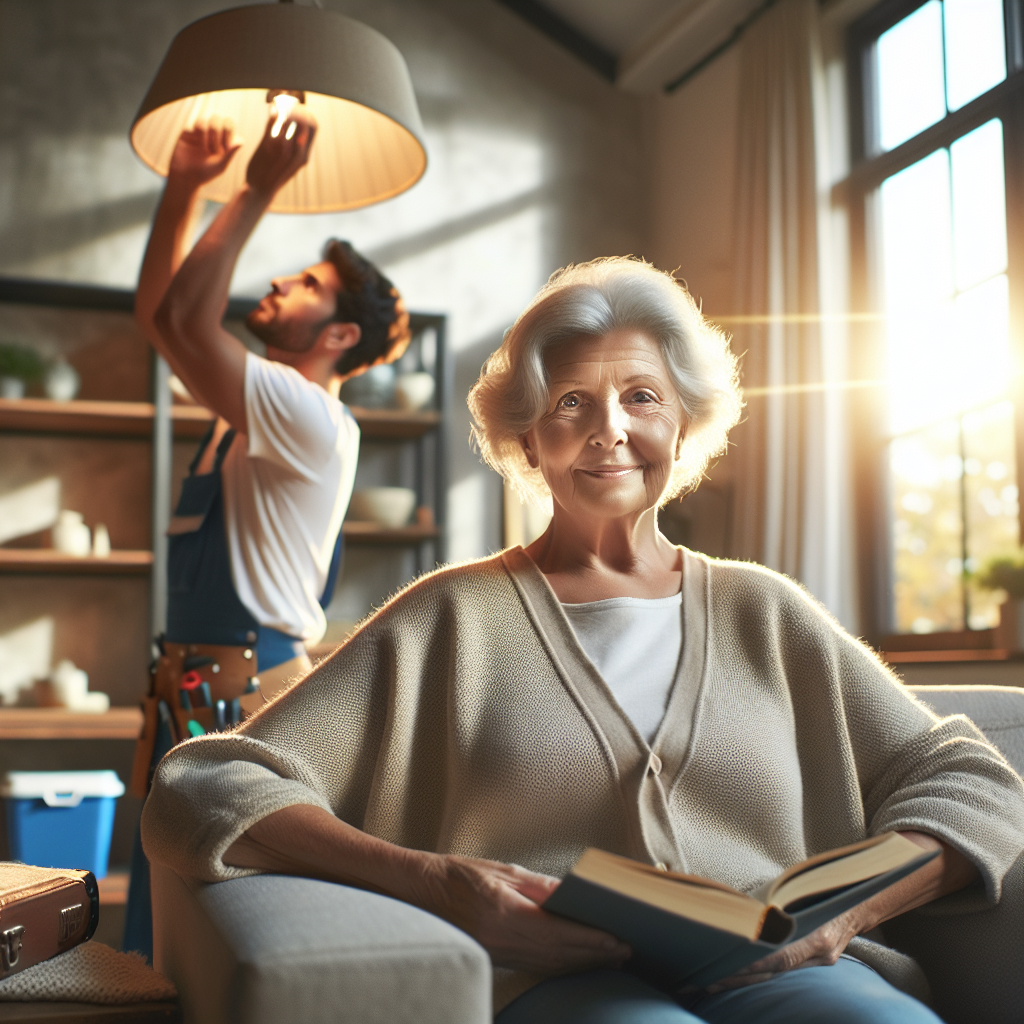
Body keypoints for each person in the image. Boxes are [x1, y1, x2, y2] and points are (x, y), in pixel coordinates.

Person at [141, 257, 1024, 1023]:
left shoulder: (767, 611)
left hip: (788, 971)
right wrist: (435, 882)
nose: (611, 428)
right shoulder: (449, 617)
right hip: (553, 983)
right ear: (529, 438)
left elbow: (974, 779)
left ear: (683, 425)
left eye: (642, 397)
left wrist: (846, 917)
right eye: (572, 401)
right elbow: (200, 786)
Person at [125, 111, 410, 958]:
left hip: (248, 693)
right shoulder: (254, 409)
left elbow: (183, 321)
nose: (281, 280)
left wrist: (256, 188)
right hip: (193, 690)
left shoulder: (306, 411)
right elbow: (164, 319)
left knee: (216, 920)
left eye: (308, 283)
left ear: (340, 336)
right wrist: (183, 185)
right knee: (169, 922)